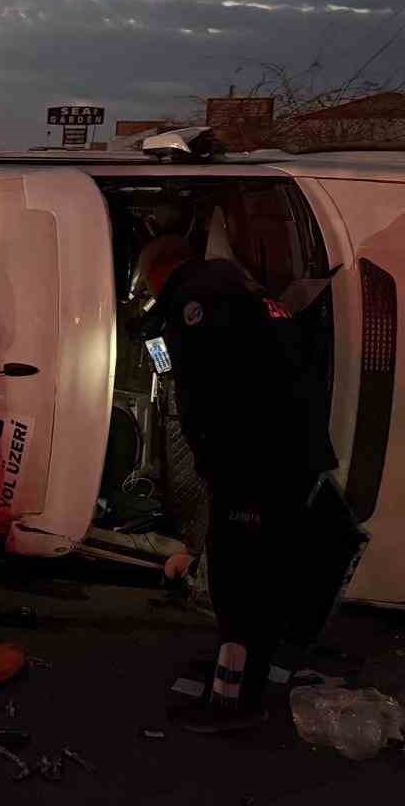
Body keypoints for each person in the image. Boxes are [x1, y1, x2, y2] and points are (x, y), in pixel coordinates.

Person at [138, 234, 350, 734]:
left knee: (240, 581)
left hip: (255, 464)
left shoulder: (197, 301)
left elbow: (214, 388)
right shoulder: (240, 289)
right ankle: (247, 672)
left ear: (156, 275)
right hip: (288, 457)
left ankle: (234, 702)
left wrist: (215, 458)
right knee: (262, 569)